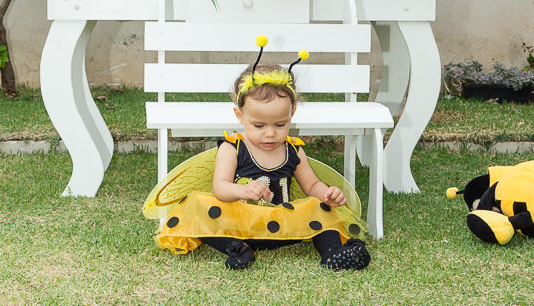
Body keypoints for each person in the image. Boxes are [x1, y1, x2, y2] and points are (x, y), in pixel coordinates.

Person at [149, 58, 372, 271]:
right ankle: (237, 250)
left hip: (283, 224)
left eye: (280, 124)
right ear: (240, 115)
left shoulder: (293, 149)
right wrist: (242, 190)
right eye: (258, 125)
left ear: (292, 113)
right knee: (197, 204)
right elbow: (220, 187)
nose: (270, 133)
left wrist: (327, 194)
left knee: (320, 207)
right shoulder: (232, 147)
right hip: (239, 225)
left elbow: (311, 186)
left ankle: (332, 253)